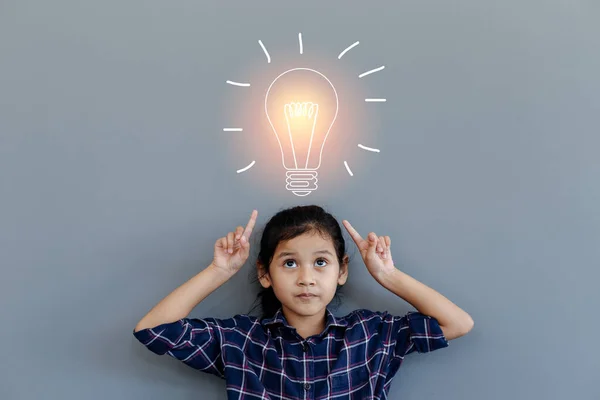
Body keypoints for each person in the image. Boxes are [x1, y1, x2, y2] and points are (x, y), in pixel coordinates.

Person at [133, 205, 474, 399]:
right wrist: (219, 271)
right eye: (290, 263)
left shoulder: (372, 336)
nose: (306, 278)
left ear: (342, 271)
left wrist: (387, 276)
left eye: (321, 262)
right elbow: (153, 330)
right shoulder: (240, 340)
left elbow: (457, 323)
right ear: (265, 274)